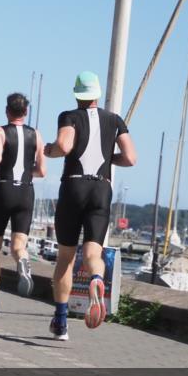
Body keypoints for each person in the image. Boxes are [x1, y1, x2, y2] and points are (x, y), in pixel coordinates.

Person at [43, 71, 137, 340]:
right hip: (101, 188)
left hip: (74, 185)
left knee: (65, 258)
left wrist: (49, 150)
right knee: (93, 254)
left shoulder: (69, 116)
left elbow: (64, 144)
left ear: (77, 95)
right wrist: (109, 158)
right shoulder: (116, 120)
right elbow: (131, 158)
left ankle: (61, 321)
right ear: (96, 93)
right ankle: (97, 279)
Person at [0, 93, 46, 313]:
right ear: (25, 112)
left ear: (7, 111)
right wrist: (26, 172)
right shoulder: (36, 135)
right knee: (18, 246)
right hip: (26, 191)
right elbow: (42, 171)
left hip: (4, 189)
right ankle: (22, 261)